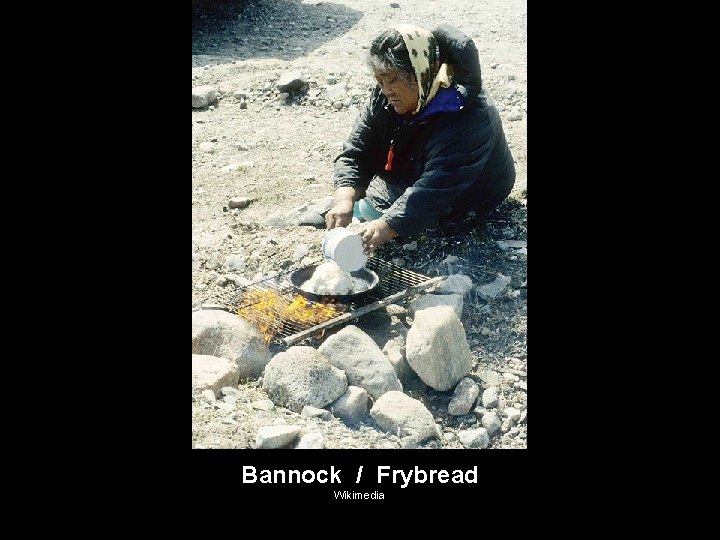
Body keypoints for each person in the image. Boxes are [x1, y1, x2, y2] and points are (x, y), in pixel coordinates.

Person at [325, 24, 516, 253]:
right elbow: (358, 150)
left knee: (432, 222)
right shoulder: (385, 97)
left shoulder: (469, 115)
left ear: (421, 73)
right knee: (362, 207)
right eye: (380, 80)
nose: (386, 90)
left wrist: (385, 227)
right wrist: (344, 199)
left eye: (393, 80)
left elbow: (438, 186)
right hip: (418, 172)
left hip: (472, 192)